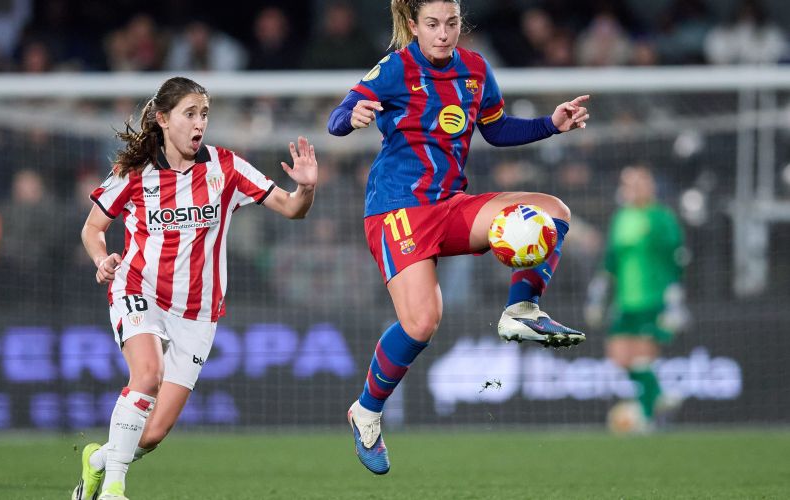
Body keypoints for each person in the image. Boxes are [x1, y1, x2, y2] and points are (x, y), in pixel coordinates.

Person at [327, 0, 590, 474]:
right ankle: (366, 411)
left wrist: (552, 124)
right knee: (422, 322)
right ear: (414, 26)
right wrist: (354, 116)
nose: (443, 33)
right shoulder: (395, 67)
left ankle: (522, 310)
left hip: (450, 205)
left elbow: (497, 130)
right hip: (397, 210)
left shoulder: (475, 69)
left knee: (552, 211)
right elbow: (337, 118)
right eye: (432, 24)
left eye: (450, 23)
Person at [74, 76, 317, 500]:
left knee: (152, 435)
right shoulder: (134, 173)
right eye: (189, 113)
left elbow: (293, 209)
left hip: (198, 312)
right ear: (164, 119)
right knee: (147, 375)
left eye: (204, 113)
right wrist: (102, 259)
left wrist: (307, 187)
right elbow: (93, 228)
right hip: (139, 288)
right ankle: (113, 490)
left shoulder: (226, 167)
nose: (199, 122)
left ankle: (97, 462)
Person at [585, 165, 688, 432]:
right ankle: (658, 396)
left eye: (639, 182)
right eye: (628, 183)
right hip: (624, 300)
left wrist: (674, 299)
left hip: (653, 298)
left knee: (643, 356)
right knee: (618, 355)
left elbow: (676, 258)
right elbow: (611, 260)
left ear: (651, 186)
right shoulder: (621, 217)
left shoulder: (661, 217)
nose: (633, 188)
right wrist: (598, 295)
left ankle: (646, 416)